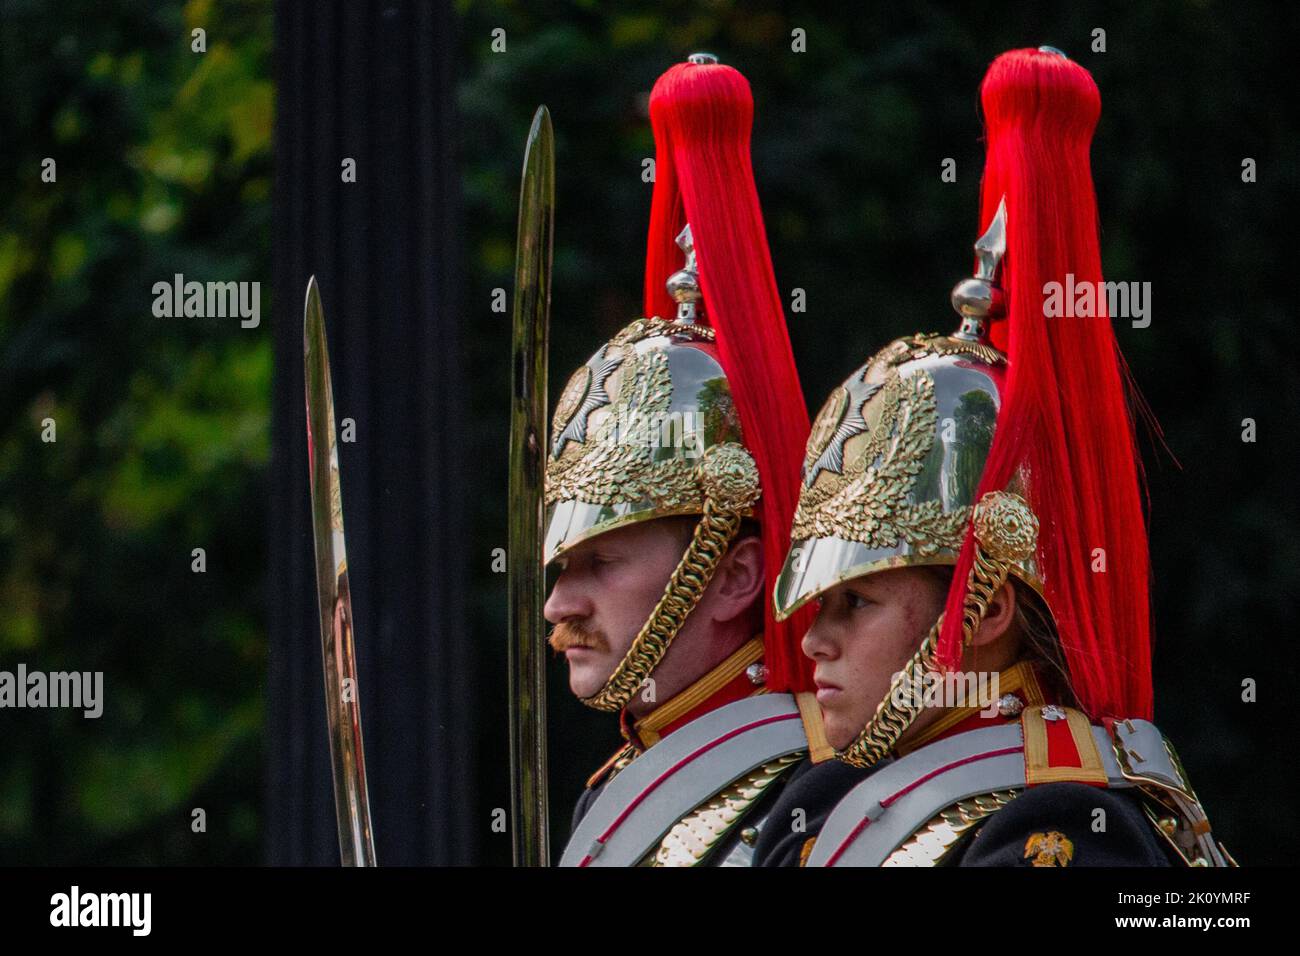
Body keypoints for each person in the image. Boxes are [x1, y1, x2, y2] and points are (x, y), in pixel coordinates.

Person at [755, 47, 1233, 867]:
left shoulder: (1060, 830)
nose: (812, 642)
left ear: (985, 609)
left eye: (857, 602)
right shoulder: (834, 807)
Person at [545, 54, 836, 867]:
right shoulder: (621, 785)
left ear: (735, 576)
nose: (557, 605)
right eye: (563, 565)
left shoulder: (813, 795)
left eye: (599, 562)